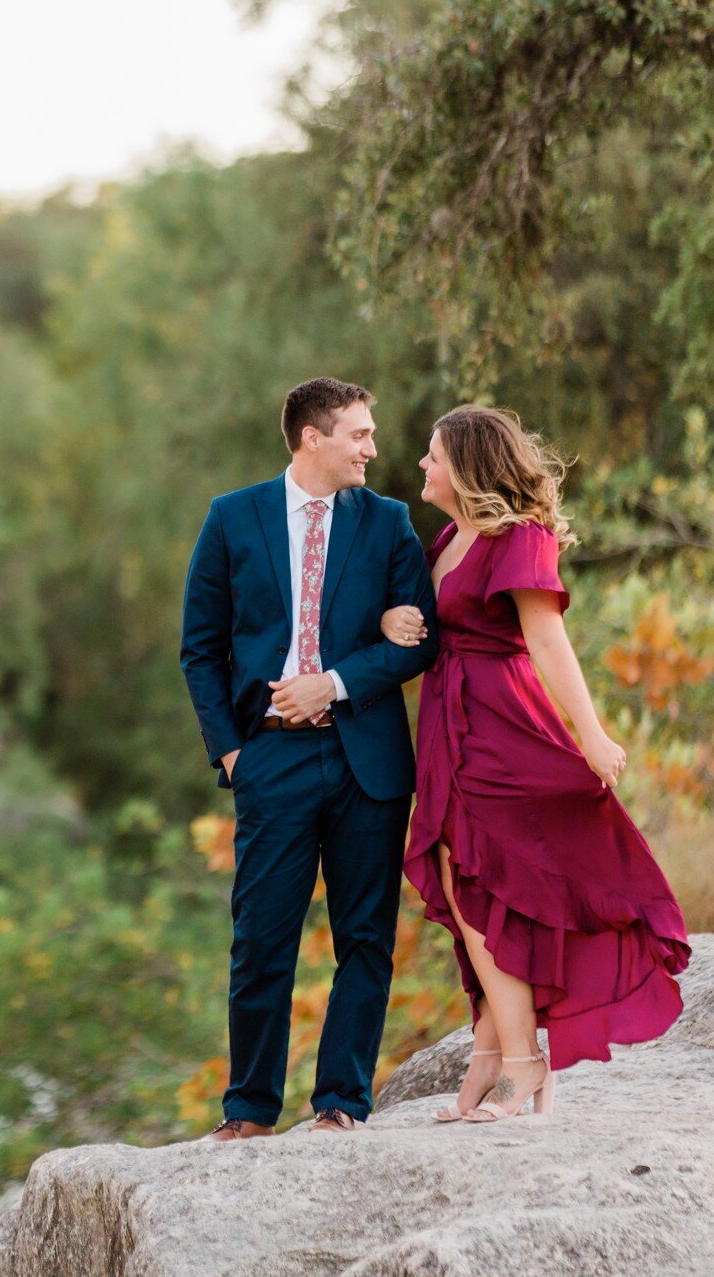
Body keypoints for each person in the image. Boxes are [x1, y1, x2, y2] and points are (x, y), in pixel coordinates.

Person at [377, 405, 689, 1122]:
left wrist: (591, 735)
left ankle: (523, 1065)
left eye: (433, 456)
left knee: (488, 884)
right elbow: (424, 621)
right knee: (464, 884)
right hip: (449, 726)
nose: (422, 466)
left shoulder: (520, 537)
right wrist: (391, 622)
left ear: (467, 464)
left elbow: (547, 641)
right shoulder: (451, 536)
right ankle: (492, 1056)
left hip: (500, 726)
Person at [179, 377, 440, 1136]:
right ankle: (250, 1111)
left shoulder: (388, 523)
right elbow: (199, 649)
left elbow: (419, 642)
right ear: (311, 438)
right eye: (359, 435)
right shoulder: (233, 519)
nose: (373, 448)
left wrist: (333, 681)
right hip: (270, 760)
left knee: (366, 938)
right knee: (262, 938)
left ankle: (341, 1104)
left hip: (368, 762)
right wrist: (230, 751)